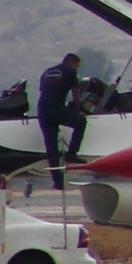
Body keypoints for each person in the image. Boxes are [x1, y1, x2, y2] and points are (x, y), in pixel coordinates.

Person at [37, 52, 87, 189]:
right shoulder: (70, 71)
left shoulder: (46, 72)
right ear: (72, 62)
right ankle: (72, 154)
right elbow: (76, 96)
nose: (77, 69)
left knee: (51, 147)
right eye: (77, 66)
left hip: (42, 111)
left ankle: (57, 182)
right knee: (81, 122)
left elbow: (46, 92)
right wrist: (77, 111)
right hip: (57, 109)